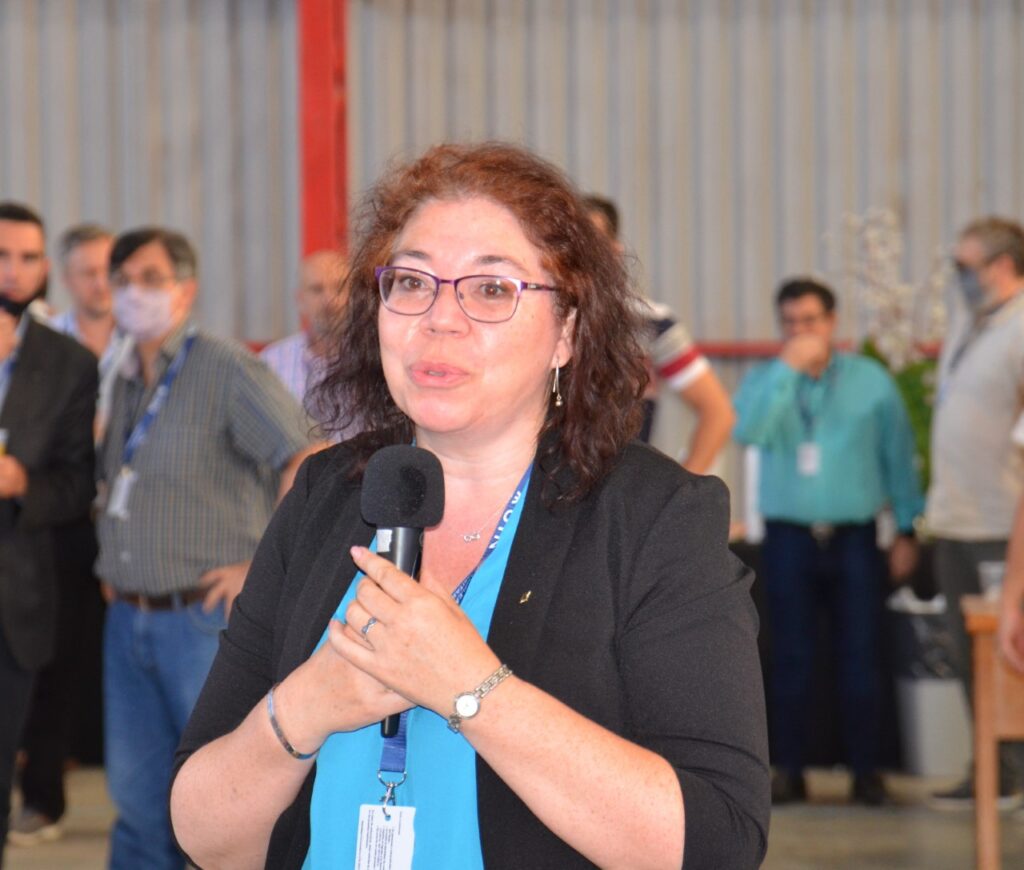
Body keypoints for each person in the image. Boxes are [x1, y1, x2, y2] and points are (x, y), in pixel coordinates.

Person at [170, 143, 769, 869]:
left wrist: (473, 689)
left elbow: (718, 844)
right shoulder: (326, 495)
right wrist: (305, 706)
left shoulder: (653, 517)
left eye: (490, 289)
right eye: (412, 282)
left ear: (567, 333)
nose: (440, 319)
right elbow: (203, 836)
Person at [95, 226, 322, 870]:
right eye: (122, 280)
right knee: (137, 806)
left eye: (151, 278)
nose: (134, 293)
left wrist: (261, 566)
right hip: (127, 617)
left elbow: (306, 457)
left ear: (186, 289)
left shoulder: (224, 367)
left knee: (219, 807)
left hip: (201, 620)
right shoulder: (122, 374)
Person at [733, 277, 922, 806]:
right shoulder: (766, 379)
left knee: (861, 653)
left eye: (810, 321)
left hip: (854, 536)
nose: (801, 331)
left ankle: (867, 771)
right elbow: (749, 432)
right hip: (788, 536)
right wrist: (787, 372)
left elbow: (898, 457)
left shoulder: (871, 382)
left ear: (833, 323)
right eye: (790, 322)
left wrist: (907, 528)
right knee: (789, 655)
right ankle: (789, 770)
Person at [9, 223, 127, 847]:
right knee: (38, 659)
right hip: (45, 527)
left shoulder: (142, 343)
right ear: (67, 275)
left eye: (110, 271)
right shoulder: (38, 343)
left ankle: (59, 787)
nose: (99, 283)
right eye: (87, 271)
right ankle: (41, 794)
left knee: (76, 663)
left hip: (116, 527)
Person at [0, 202, 97, 858]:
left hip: (15, 602)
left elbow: (76, 484)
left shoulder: (67, 364)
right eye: (3, 255)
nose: (15, 270)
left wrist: (21, 484)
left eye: (28, 257)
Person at [926, 216, 1024, 809]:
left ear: (1002, 265)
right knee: (969, 657)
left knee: (1008, 651)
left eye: (965, 266)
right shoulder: (974, 324)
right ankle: (994, 767)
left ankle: (1012, 769)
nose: (957, 277)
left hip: (1000, 524)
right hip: (957, 518)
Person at [583, 195, 734, 472]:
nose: (582, 254)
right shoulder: (535, 317)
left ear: (615, 251)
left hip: (623, 488)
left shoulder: (649, 322)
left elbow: (718, 412)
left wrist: (684, 488)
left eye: (593, 243)